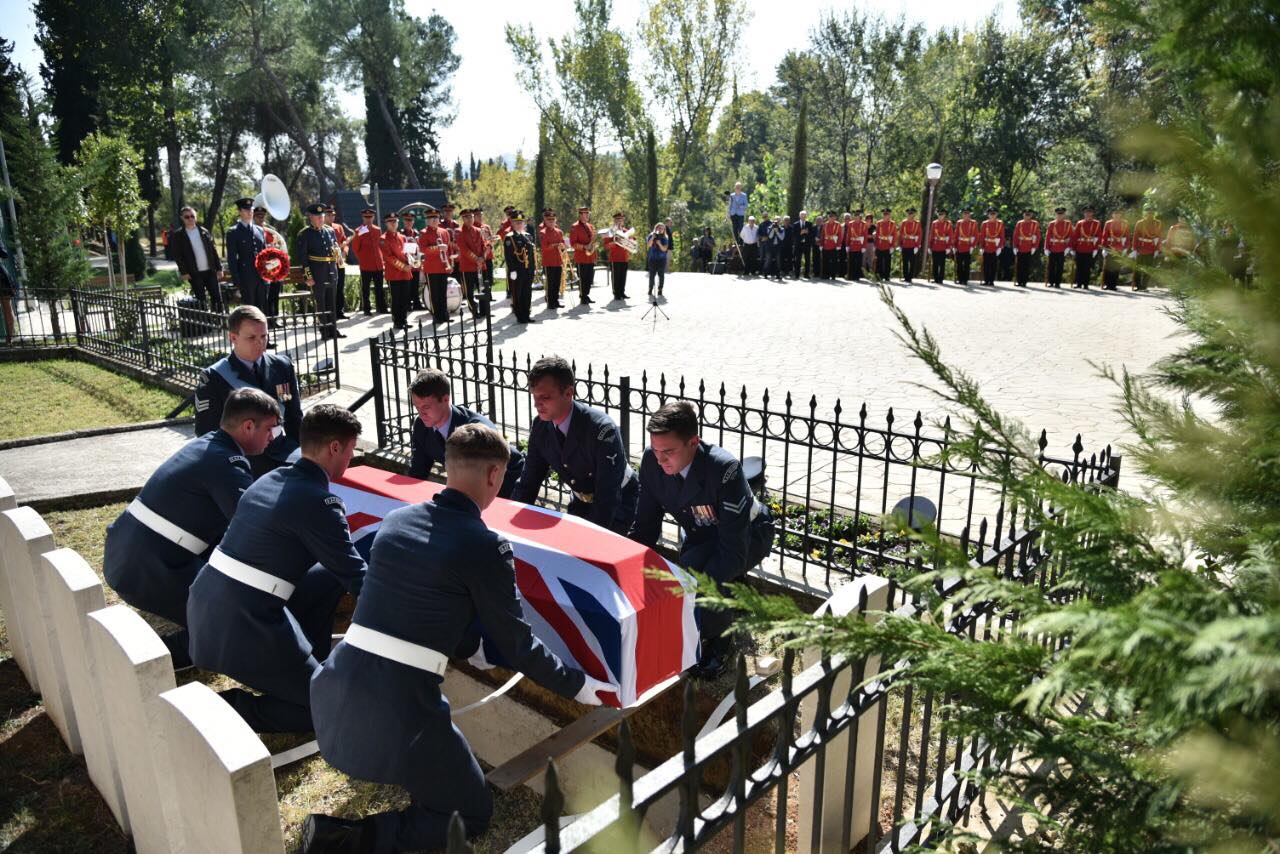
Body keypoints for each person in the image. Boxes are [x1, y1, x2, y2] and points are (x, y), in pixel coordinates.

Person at [304, 425, 605, 853]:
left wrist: (472, 647)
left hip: (335, 683)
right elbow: (518, 642)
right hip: (398, 706)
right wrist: (578, 685)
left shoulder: (396, 521)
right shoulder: (485, 546)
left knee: (447, 779)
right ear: (494, 476)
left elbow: (424, 603)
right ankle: (340, 838)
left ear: (447, 469)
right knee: (470, 814)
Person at [186, 405, 367, 733]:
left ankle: (306, 663)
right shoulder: (318, 503)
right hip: (244, 625)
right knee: (327, 710)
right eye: (352, 450)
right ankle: (217, 710)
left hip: (209, 604)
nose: (351, 459)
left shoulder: (270, 478)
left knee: (325, 578)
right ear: (335, 447)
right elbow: (357, 578)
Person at [104, 388, 279, 668]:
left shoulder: (209, 446)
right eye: (270, 429)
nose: (272, 437)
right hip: (144, 570)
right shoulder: (227, 463)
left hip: (128, 555)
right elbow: (251, 527)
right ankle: (146, 661)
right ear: (248, 426)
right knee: (232, 617)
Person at [627, 402, 774, 680]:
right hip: (701, 533)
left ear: (693, 442)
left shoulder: (723, 468)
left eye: (668, 451)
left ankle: (721, 643)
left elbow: (732, 550)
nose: (660, 460)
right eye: (656, 450)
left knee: (705, 579)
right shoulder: (652, 460)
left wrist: (698, 591)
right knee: (693, 566)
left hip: (750, 534)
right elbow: (645, 525)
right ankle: (733, 594)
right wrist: (629, 565)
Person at [510, 355, 638, 534]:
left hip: (619, 502)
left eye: (545, 397)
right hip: (581, 500)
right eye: (534, 396)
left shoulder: (601, 430)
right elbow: (529, 480)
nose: (536, 404)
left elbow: (608, 496)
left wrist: (592, 537)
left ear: (569, 393)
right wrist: (512, 526)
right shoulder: (541, 426)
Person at [194, 305, 302, 478]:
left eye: (264, 336)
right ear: (233, 338)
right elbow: (207, 431)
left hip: (284, 452)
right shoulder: (214, 377)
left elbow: (294, 417)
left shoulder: (282, 366)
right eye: (252, 337)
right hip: (246, 460)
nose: (260, 343)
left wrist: (301, 453)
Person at [407, 369, 524, 496]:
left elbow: (503, 467)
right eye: (417, 407)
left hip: (504, 480)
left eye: (426, 407)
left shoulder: (476, 431)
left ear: (446, 399)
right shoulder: (422, 425)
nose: (421, 413)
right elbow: (417, 472)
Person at [296, 203, 345, 338]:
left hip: (331, 269)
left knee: (332, 301)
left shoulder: (329, 231)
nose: (321, 219)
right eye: (318, 217)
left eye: (322, 216)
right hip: (317, 272)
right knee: (321, 303)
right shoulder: (305, 234)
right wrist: (308, 276)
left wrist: (339, 256)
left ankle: (333, 329)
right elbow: (303, 258)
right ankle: (324, 330)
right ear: (311, 217)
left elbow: (335, 247)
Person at [172, 205, 224, 312]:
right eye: (187, 217)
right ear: (182, 218)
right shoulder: (178, 235)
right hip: (194, 273)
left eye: (192, 216)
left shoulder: (204, 231)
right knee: (201, 300)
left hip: (210, 271)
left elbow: (213, 251)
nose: (190, 219)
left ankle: (219, 322)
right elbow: (178, 256)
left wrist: (219, 268)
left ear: (196, 217)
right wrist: (184, 272)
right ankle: (205, 326)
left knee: (217, 298)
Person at [225, 197, 267, 311]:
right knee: (250, 309)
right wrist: (237, 280)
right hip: (246, 276)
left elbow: (265, 253)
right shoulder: (233, 232)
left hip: (261, 276)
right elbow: (232, 259)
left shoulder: (260, 230)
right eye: (246, 210)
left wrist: (270, 272)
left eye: (251, 210)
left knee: (261, 306)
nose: (250, 212)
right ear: (239, 211)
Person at [418, 207, 453, 325]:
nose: (434, 220)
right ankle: (436, 316)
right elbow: (423, 249)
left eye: (436, 218)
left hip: (443, 267)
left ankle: (444, 315)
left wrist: (450, 264)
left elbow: (449, 249)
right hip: (431, 268)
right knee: (434, 293)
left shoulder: (444, 232)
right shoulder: (423, 233)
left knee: (443, 292)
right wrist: (438, 248)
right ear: (427, 220)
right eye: (431, 218)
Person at [380, 213, 416, 330]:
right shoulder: (383, 239)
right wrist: (403, 266)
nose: (393, 224)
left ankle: (404, 320)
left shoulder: (402, 237)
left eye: (395, 221)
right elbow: (389, 257)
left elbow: (407, 253)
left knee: (405, 298)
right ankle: (397, 322)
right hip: (394, 274)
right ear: (386, 224)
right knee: (396, 299)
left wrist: (411, 261)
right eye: (390, 222)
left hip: (405, 273)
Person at [351, 207, 386, 315]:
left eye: (370, 217)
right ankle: (367, 309)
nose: (368, 219)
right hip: (366, 265)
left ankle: (381, 308)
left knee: (379, 288)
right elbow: (355, 248)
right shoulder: (359, 231)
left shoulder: (377, 229)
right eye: (366, 217)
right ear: (363, 218)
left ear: (373, 217)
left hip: (378, 264)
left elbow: (380, 246)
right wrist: (362, 258)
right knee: (365, 289)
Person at [504, 210, 537, 323]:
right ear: (512, 223)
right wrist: (512, 270)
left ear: (524, 223)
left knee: (527, 293)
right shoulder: (510, 237)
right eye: (516, 222)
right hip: (517, 271)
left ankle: (527, 314)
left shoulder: (528, 236)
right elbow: (508, 256)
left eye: (521, 222)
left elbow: (532, 255)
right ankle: (520, 316)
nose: (519, 225)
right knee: (518, 293)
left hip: (528, 270)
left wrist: (533, 269)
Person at [456, 208, 486, 316]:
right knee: (469, 291)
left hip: (479, 266)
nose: (469, 219)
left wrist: (483, 257)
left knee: (482, 288)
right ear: (462, 219)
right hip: (467, 266)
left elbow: (483, 245)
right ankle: (474, 310)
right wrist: (476, 259)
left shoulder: (478, 230)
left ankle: (484, 310)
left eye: (471, 217)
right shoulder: (459, 232)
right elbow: (463, 249)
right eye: (466, 217)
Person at [323, 206, 351, 319]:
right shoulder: (322, 228)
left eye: (333, 215)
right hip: (328, 263)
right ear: (324, 216)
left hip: (339, 261)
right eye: (329, 215)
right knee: (329, 288)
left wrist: (344, 253)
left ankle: (340, 311)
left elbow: (344, 241)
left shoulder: (338, 227)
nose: (331, 217)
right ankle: (330, 312)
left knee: (340, 287)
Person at [603, 211, 634, 300]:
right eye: (618, 220)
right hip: (615, 257)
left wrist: (631, 242)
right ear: (614, 221)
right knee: (615, 276)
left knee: (623, 276)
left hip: (624, 257)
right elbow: (606, 245)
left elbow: (631, 242)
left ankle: (622, 292)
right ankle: (616, 293)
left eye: (621, 219)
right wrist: (615, 241)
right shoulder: (610, 231)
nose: (620, 221)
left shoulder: (626, 231)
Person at [569, 206, 597, 305]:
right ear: (580, 215)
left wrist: (593, 249)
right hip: (581, 257)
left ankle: (586, 295)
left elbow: (593, 240)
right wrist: (585, 247)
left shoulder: (590, 226)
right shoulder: (575, 227)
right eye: (585, 214)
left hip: (590, 257)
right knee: (583, 278)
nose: (587, 215)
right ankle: (583, 296)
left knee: (589, 278)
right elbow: (573, 243)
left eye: (588, 213)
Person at [539, 208, 565, 310]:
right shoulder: (543, 232)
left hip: (558, 260)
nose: (551, 222)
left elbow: (562, 244)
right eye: (549, 220)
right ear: (545, 221)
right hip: (548, 261)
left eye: (553, 220)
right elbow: (545, 247)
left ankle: (556, 301)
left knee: (557, 282)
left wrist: (562, 246)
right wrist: (556, 245)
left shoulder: (559, 232)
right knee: (550, 283)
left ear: (555, 220)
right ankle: (550, 302)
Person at [1072, 206, 1103, 288]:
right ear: (1084, 213)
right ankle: (1078, 284)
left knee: (1087, 267)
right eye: (1086, 212)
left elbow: (1099, 236)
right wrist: (1073, 248)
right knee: (1079, 267)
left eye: (1090, 212)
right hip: (1080, 247)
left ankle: (1085, 284)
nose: (1088, 214)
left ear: (1092, 213)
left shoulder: (1096, 223)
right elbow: (1075, 236)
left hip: (1090, 248)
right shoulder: (1080, 223)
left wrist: (1096, 248)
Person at [1132, 207, 1163, 290]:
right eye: (1149, 213)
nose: (1150, 215)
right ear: (1145, 214)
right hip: (1141, 247)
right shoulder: (1140, 223)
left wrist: (1158, 249)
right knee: (1138, 268)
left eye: (1152, 213)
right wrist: (1134, 249)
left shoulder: (1158, 223)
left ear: (1154, 214)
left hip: (1151, 248)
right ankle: (1138, 286)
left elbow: (1159, 237)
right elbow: (1135, 236)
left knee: (1148, 269)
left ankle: (1144, 286)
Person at [1043, 206, 1073, 288]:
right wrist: (1046, 247)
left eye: (1061, 214)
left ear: (1064, 214)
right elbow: (1048, 236)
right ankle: (1051, 282)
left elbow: (1071, 236)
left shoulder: (1068, 224)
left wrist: (1069, 247)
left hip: (1062, 248)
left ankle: (1057, 283)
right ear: (1056, 214)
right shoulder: (1052, 224)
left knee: (1060, 266)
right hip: (1053, 247)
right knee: (1051, 266)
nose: (1060, 215)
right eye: (1058, 214)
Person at [400, 211, 425, 312]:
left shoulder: (417, 233)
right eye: (407, 220)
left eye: (411, 220)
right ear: (403, 221)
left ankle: (416, 303)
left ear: (413, 221)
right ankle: (407, 304)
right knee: (407, 285)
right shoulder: (401, 233)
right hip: (406, 262)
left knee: (415, 284)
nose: (409, 222)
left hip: (415, 262)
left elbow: (420, 247)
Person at [1100, 209, 1130, 290]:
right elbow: (1104, 235)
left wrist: (1126, 248)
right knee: (1108, 266)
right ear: (1112, 215)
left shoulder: (1125, 223)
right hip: (1110, 246)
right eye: (1115, 214)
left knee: (1116, 267)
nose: (1117, 215)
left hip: (1120, 247)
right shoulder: (1108, 223)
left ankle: (1113, 285)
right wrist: (1104, 248)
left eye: (1118, 214)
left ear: (1121, 215)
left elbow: (1127, 236)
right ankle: (1107, 284)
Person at [1013, 210, 1041, 287]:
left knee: (1026, 265)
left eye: (1029, 215)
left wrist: (1034, 247)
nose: (1027, 216)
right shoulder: (1019, 223)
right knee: (1019, 265)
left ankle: (1024, 281)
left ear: (1031, 215)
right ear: (1023, 215)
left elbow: (1038, 236)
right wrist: (1015, 246)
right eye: (1026, 214)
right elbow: (1015, 235)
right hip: (1020, 246)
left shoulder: (1035, 224)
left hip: (1029, 247)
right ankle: (1019, 281)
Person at [979, 209, 1005, 286]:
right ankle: (986, 280)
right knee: (986, 265)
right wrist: (981, 247)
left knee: (993, 265)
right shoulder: (984, 224)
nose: (992, 215)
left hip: (995, 247)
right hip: (986, 247)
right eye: (991, 214)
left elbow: (1002, 236)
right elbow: (982, 236)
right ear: (988, 215)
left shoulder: (1000, 224)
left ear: (996, 214)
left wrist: (1000, 247)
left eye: (994, 214)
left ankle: (992, 281)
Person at [928, 208, 953, 284]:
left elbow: (950, 235)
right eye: (939, 214)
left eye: (942, 214)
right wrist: (929, 246)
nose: (941, 216)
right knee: (935, 263)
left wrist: (949, 247)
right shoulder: (934, 223)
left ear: (945, 215)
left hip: (943, 246)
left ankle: (940, 279)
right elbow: (931, 235)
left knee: (942, 264)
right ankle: (935, 278)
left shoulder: (948, 224)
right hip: (935, 245)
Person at [474, 207, 497, 294]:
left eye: (481, 215)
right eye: (477, 215)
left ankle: (489, 294)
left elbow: (491, 239)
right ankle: (483, 295)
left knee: (489, 277)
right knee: (481, 278)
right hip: (480, 257)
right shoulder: (473, 228)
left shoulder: (486, 226)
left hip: (488, 256)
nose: (480, 217)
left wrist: (492, 240)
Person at [953, 208, 979, 284]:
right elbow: (956, 234)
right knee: (959, 264)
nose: (966, 215)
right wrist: (954, 245)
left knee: (967, 264)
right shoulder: (959, 223)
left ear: (970, 214)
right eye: (964, 213)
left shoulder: (973, 223)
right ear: (962, 214)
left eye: (967, 213)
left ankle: (965, 279)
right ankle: (960, 279)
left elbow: (976, 235)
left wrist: (973, 246)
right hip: (959, 246)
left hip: (968, 246)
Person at [646, 221, 671, 297]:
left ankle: (660, 289)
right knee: (652, 276)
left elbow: (664, 249)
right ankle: (650, 289)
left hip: (661, 260)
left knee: (661, 275)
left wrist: (659, 243)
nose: (660, 230)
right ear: (656, 228)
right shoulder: (651, 235)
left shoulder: (665, 238)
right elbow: (649, 245)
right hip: (652, 259)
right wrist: (653, 238)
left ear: (664, 230)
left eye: (662, 228)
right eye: (659, 228)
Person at [898, 208, 923, 283]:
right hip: (905, 245)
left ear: (914, 214)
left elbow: (919, 234)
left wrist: (917, 246)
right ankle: (905, 277)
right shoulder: (904, 222)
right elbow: (900, 233)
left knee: (912, 262)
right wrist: (900, 245)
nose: (910, 215)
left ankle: (910, 277)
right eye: (909, 213)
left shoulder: (917, 223)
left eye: (911, 213)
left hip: (913, 245)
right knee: (905, 262)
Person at [844, 210, 868, 281]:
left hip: (860, 246)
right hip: (852, 245)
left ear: (860, 217)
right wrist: (847, 245)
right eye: (856, 216)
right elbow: (848, 235)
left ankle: (857, 276)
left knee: (858, 262)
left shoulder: (864, 224)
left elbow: (865, 236)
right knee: (851, 261)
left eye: (858, 216)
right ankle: (851, 276)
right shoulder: (851, 224)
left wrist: (864, 246)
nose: (857, 217)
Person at [874, 208, 897, 282]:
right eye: (884, 214)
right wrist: (875, 245)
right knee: (879, 262)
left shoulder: (892, 223)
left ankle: (887, 276)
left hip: (888, 245)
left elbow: (895, 235)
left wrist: (892, 246)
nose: (885, 215)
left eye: (887, 214)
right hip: (880, 245)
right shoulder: (879, 223)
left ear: (889, 215)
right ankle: (878, 276)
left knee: (887, 262)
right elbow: (877, 234)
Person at [819, 210, 841, 280]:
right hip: (826, 245)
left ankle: (833, 275)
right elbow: (822, 235)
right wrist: (821, 244)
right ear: (828, 217)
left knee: (834, 261)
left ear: (835, 217)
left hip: (834, 246)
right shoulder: (825, 224)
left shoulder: (838, 225)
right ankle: (825, 275)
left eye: (833, 216)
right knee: (825, 261)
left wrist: (838, 245)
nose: (831, 218)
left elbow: (840, 236)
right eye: (830, 216)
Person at [793, 210, 814, 278]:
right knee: (797, 260)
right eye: (802, 215)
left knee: (807, 260)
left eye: (804, 215)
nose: (803, 216)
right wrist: (800, 233)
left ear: (806, 216)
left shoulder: (809, 224)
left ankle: (806, 274)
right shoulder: (795, 224)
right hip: (798, 245)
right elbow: (793, 234)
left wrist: (808, 233)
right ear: (799, 216)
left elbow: (812, 234)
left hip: (807, 244)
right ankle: (797, 274)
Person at [727, 182, 748, 249]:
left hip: (740, 214)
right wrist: (728, 214)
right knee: (734, 228)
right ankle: (735, 242)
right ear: (735, 188)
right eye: (736, 187)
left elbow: (746, 205)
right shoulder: (732, 195)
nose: (737, 188)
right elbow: (729, 205)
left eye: (739, 187)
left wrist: (740, 207)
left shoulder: (744, 195)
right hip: (733, 214)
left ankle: (741, 242)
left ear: (740, 188)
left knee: (740, 228)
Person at [775, 215, 794, 281]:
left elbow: (794, 237)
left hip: (789, 246)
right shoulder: (781, 228)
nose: (786, 221)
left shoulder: (792, 228)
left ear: (789, 221)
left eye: (788, 220)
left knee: (790, 258)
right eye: (785, 220)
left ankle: (790, 271)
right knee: (782, 258)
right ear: (783, 221)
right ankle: (782, 271)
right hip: (782, 245)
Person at [758, 213, 775, 278]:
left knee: (769, 258)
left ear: (768, 216)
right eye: (763, 216)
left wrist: (767, 238)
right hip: (762, 243)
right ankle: (761, 271)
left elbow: (773, 232)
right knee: (762, 257)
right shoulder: (761, 224)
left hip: (769, 243)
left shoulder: (771, 224)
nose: (765, 217)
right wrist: (762, 238)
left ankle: (768, 271)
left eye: (766, 216)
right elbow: (758, 233)